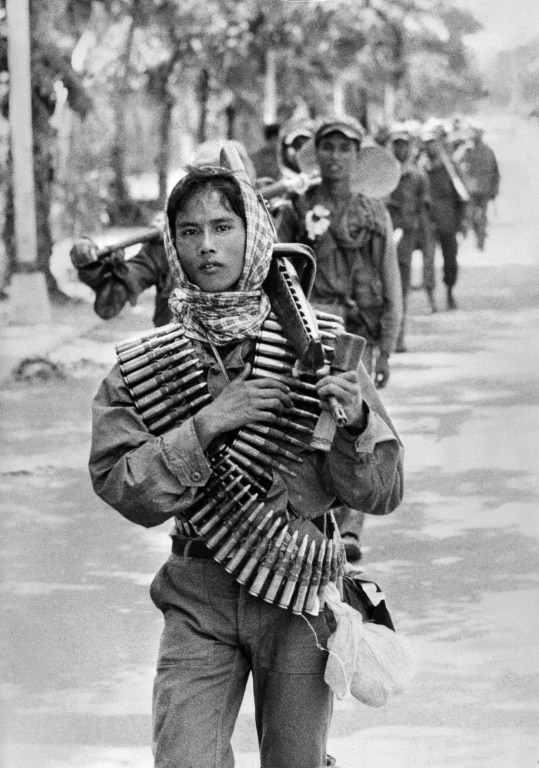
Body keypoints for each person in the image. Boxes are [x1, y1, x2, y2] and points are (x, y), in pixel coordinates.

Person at [89, 163, 404, 768]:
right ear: (172, 244)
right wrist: (205, 424)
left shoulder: (317, 344)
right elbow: (117, 481)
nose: (206, 245)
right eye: (188, 231)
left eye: (222, 226)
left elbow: (384, 492)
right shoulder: (148, 363)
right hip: (197, 591)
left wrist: (357, 423)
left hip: (296, 591)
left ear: (252, 232)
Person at [276, 115, 402, 389]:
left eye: (345, 149)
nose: (336, 156)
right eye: (328, 147)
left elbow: (391, 282)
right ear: (317, 153)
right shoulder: (297, 207)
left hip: (357, 331)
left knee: (355, 416)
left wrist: (386, 350)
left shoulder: (371, 214)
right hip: (307, 330)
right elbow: (277, 274)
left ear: (357, 156)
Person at [386, 123, 435, 352]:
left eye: (404, 145)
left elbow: (423, 212)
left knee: (400, 292)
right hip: (382, 241)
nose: (401, 149)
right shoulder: (381, 175)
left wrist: (424, 245)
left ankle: (398, 338)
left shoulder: (417, 176)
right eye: (397, 144)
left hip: (405, 239)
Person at [419, 126, 467, 311]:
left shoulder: (450, 167)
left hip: (448, 221)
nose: (429, 147)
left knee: (450, 261)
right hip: (427, 223)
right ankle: (431, 301)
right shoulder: (420, 168)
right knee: (428, 262)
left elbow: (462, 196)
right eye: (426, 143)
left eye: (432, 142)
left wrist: (462, 222)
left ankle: (449, 293)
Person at [454, 122, 500, 251]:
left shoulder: (488, 151)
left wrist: (495, 189)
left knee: (482, 216)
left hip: (484, 190)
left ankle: (480, 240)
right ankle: (475, 234)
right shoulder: (464, 151)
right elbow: (454, 167)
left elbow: (495, 172)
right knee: (471, 216)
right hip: (469, 191)